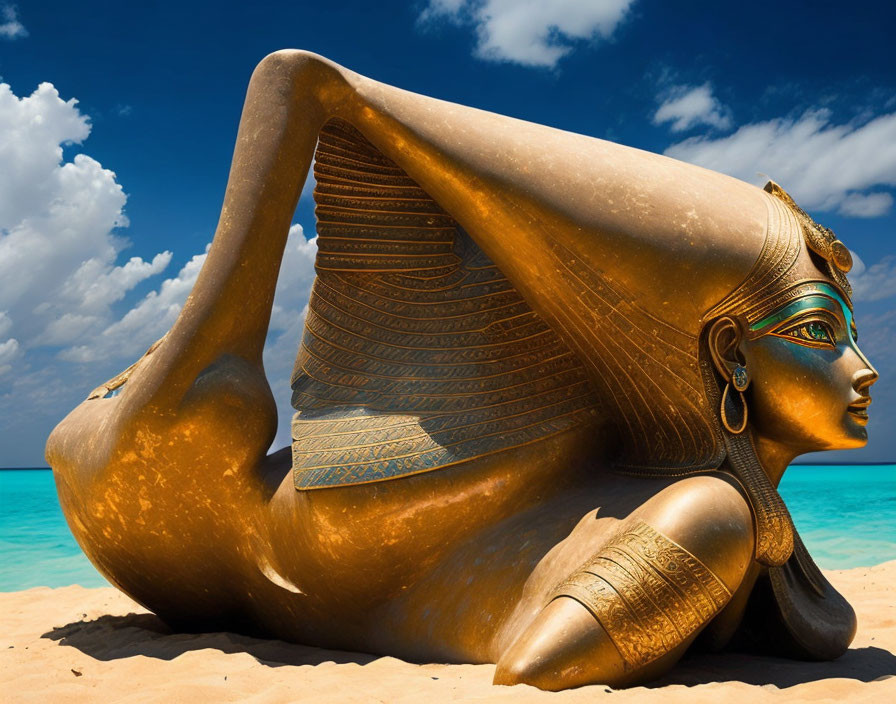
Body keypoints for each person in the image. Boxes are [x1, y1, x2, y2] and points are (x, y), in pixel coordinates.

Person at [46, 51, 878, 690]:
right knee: (209, 403)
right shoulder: (704, 512)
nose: (866, 369)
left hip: (191, 554)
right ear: (731, 356)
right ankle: (170, 364)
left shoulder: (674, 501)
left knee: (210, 404)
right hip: (163, 509)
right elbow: (297, 83)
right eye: (819, 331)